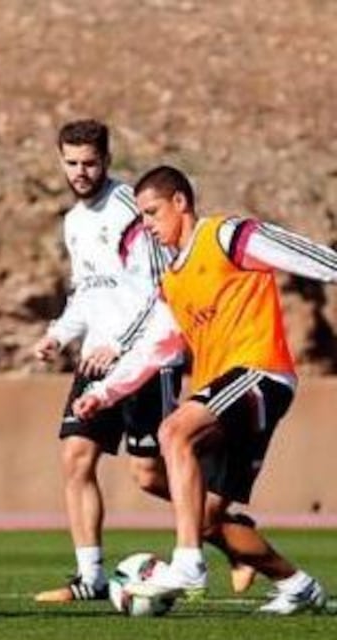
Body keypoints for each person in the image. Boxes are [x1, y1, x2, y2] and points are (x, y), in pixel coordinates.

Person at [74, 165, 330, 614]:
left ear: (180, 203)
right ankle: (297, 585)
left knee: (174, 431)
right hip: (225, 390)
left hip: (261, 372)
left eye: (152, 213)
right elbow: (153, 348)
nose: (148, 225)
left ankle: (188, 563)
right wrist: (106, 392)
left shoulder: (226, 235)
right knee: (208, 516)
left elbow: (310, 257)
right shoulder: (173, 280)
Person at [31, 120, 189, 603]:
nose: (81, 172)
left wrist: (121, 343)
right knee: (75, 458)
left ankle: (228, 529)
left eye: (90, 163)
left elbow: (163, 287)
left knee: (148, 475)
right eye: (72, 163)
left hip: (143, 357)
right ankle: (91, 578)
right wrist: (58, 334)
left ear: (107, 160)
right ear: (61, 161)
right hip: (94, 359)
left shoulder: (128, 208)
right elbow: (87, 291)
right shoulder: (73, 222)